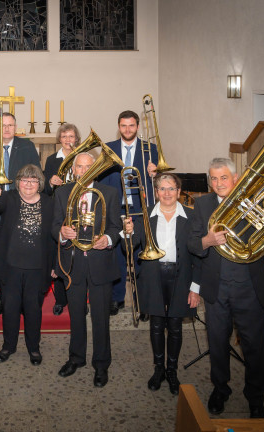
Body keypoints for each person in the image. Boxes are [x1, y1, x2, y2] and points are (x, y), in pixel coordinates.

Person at [188, 157, 264, 418]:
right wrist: (207, 240)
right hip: (216, 288)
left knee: (254, 346)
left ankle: (256, 397)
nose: (218, 182)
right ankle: (220, 389)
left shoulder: (253, 203)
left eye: (224, 177)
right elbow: (191, 244)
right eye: (213, 178)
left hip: (249, 287)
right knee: (217, 342)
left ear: (235, 179)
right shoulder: (201, 205)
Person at [123, 173, 200, 395]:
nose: (167, 193)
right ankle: (158, 368)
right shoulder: (145, 214)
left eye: (171, 189)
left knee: (175, 325)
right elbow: (130, 245)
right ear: (156, 192)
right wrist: (127, 233)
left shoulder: (192, 216)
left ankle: (172, 371)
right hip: (153, 275)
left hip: (181, 276)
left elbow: (199, 255)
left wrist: (195, 286)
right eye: (162, 189)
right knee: (156, 324)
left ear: (179, 191)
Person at [53, 152, 121, 387]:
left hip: (100, 261)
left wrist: (109, 240)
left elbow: (115, 226)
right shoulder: (62, 192)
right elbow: (54, 225)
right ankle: (76, 357)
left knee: (101, 317)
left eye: (88, 166)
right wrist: (62, 233)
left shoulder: (110, 193)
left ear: (96, 169)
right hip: (73, 263)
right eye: (79, 167)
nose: (83, 170)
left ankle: (101, 364)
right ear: (74, 170)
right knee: (76, 315)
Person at [0, 164, 55, 366]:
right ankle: (8, 346)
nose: (28, 184)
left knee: (33, 309)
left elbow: (53, 237)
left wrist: (54, 264)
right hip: (10, 265)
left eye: (33, 180)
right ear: (17, 183)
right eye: (24, 180)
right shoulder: (10, 198)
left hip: (37, 266)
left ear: (39, 184)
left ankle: (33, 348)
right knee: (10, 308)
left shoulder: (49, 202)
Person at [0, 112, 41, 315]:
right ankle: (2, 299)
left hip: (22, 208)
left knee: (22, 256)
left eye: (10, 125)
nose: (7, 129)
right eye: (3, 125)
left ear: (16, 127)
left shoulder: (27, 146)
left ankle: (21, 299)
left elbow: (37, 173)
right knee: (0, 257)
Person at [98, 110, 158, 316]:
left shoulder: (151, 149)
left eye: (131, 125)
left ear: (138, 127)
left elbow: (157, 182)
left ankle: (142, 302)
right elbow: (102, 180)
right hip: (117, 208)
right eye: (123, 126)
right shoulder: (108, 149)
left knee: (141, 255)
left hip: (141, 209)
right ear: (118, 127)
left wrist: (154, 174)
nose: (127, 129)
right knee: (116, 255)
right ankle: (117, 298)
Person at [42, 123, 81, 315]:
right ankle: (60, 299)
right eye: (64, 136)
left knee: (78, 254)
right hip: (58, 211)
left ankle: (78, 296)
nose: (68, 140)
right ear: (60, 139)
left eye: (71, 136)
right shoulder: (51, 159)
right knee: (57, 254)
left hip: (79, 210)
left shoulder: (82, 158)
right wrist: (50, 181)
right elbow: (45, 189)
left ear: (76, 139)